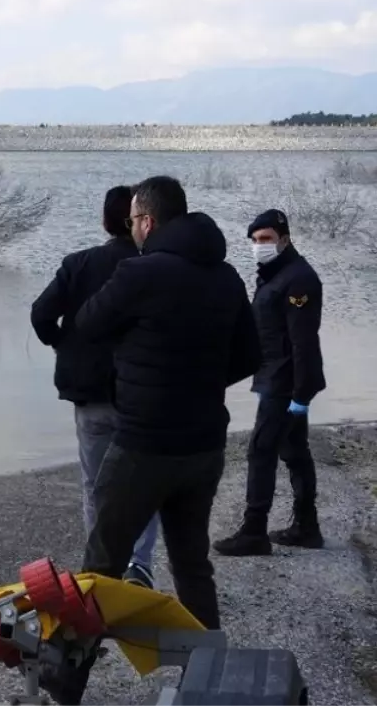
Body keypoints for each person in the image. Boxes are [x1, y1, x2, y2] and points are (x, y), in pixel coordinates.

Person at [75, 175, 260, 632]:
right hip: (204, 444)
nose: (132, 228)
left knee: (99, 571)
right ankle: (208, 673)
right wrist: (198, 382)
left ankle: (64, 686)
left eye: (134, 219)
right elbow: (251, 355)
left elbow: (87, 324)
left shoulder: (141, 272)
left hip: (144, 443)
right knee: (192, 565)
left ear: (148, 221)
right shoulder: (227, 275)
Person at [29, 185, 158, 589]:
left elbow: (40, 314)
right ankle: (140, 566)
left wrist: (63, 343)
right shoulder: (156, 268)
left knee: (95, 484)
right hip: (144, 395)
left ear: (105, 222)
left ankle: (100, 569)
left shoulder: (79, 264)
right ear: (140, 221)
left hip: (91, 394)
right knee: (145, 484)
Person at [214, 209, 326, 557]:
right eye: (255, 240)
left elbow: (303, 342)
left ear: (285, 239)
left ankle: (254, 531)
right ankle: (307, 527)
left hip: (285, 382)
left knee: (261, 450)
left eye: (266, 239)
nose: (259, 246)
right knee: (293, 451)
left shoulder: (298, 280)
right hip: (274, 376)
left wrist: (302, 395)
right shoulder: (275, 274)